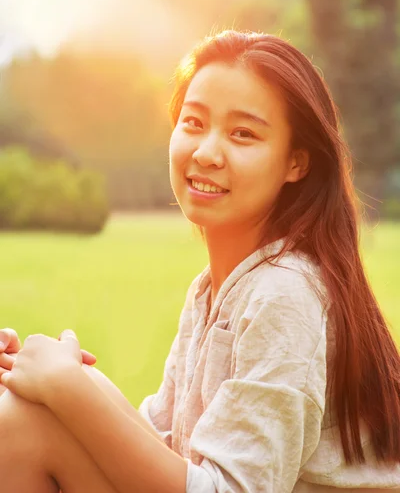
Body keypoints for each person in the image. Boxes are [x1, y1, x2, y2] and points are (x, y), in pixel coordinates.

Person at [0, 30, 399, 492]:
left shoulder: (287, 294)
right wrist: (39, 374)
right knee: (31, 403)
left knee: (25, 427)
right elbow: (162, 444)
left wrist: (68, 388)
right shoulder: (215, 289)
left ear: (297, 162)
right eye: (193, 122)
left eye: (242, 134)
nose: (206, 153)